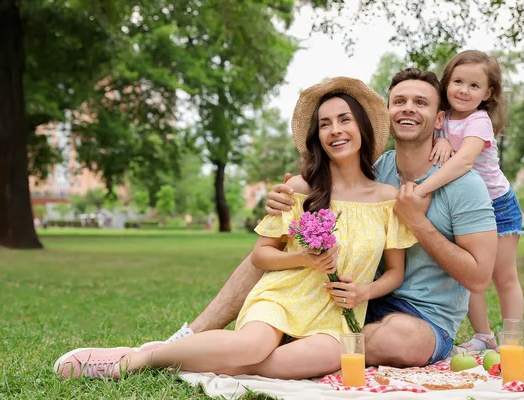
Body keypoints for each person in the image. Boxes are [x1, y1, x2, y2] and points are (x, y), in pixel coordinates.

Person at [54, 77, 417, 380]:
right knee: (253, 347)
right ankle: (140, 358)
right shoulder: (298, 191)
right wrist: (305, 260)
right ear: (317, 135)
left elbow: (395, 273)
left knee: (289, 364)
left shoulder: (388, 199)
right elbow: (261, 255)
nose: (335, 130)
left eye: (344, 120)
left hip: (336, 317)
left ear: (362, 128)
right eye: (325, 124)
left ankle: (191, 356)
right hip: (281, 297)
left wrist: (362, 293)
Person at [139, 68, 498, 368]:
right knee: (267, 251)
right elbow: (332, 179)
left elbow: (480, 279)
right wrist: (285, 196)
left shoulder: (464, 184)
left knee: (398, 340)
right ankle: (195, 336)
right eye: (400, 101)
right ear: (386, 113)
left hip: (420, 316)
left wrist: (418, 222)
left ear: (439, 118)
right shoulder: (379, 168)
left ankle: (254, 351)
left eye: (421, 103)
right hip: (344, 296)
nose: (408, 109)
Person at [413, 50, 524, 353]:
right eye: (458, 81)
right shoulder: (442, 118)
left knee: (503, 278)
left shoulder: (479, 121)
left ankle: (512, 341)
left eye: (474, 86)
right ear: (446, 82)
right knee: (468, 276)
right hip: (463, 210)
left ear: (488, 93)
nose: (464, 90)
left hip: (497, 205)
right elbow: (430, 142)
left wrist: (423, 190)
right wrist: (440, 139)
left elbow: (463, 162)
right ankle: (483, 337)